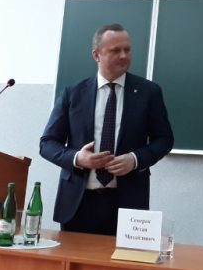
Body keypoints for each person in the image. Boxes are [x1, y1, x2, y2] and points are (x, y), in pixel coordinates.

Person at [40, 23, 174, 235]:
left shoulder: (149, 92)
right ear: (96, 55)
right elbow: (47, 144)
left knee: (123, 258)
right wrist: (78, 158)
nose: (124, 56)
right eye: (115, 50)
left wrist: (135, 159)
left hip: (129, 204)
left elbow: (164, 140)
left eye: (127, 49)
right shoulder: (73, 94)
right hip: (78, 204)